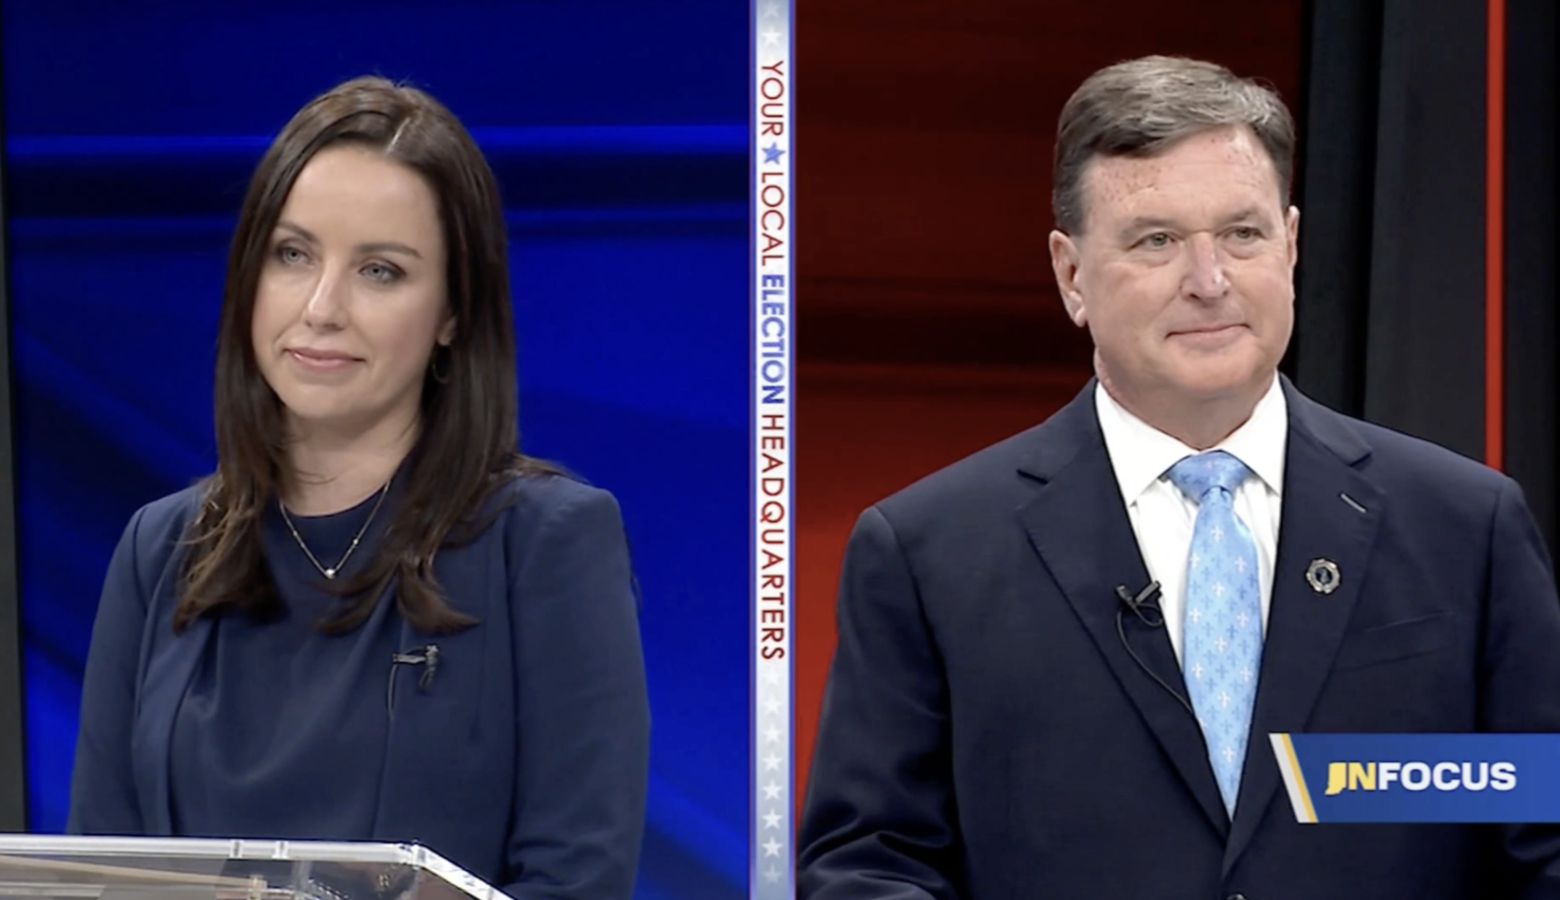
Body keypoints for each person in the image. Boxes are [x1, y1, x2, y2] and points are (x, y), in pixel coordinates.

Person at [797, 55, 1560, 899]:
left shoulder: (1463, 527)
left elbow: (1539, 834)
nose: (1209, 281)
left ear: (1292, 244)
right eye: (1156, 241)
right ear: (1071, 274)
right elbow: (871, 865)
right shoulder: (929, 553)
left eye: (1242, 233)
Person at [66, 76, 651, 900]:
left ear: (452, 312)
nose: (321, 307)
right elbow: (99, 875)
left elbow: (575, 878)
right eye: (293, 254)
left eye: (380, 270)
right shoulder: (157, 550)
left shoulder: (548, 544)